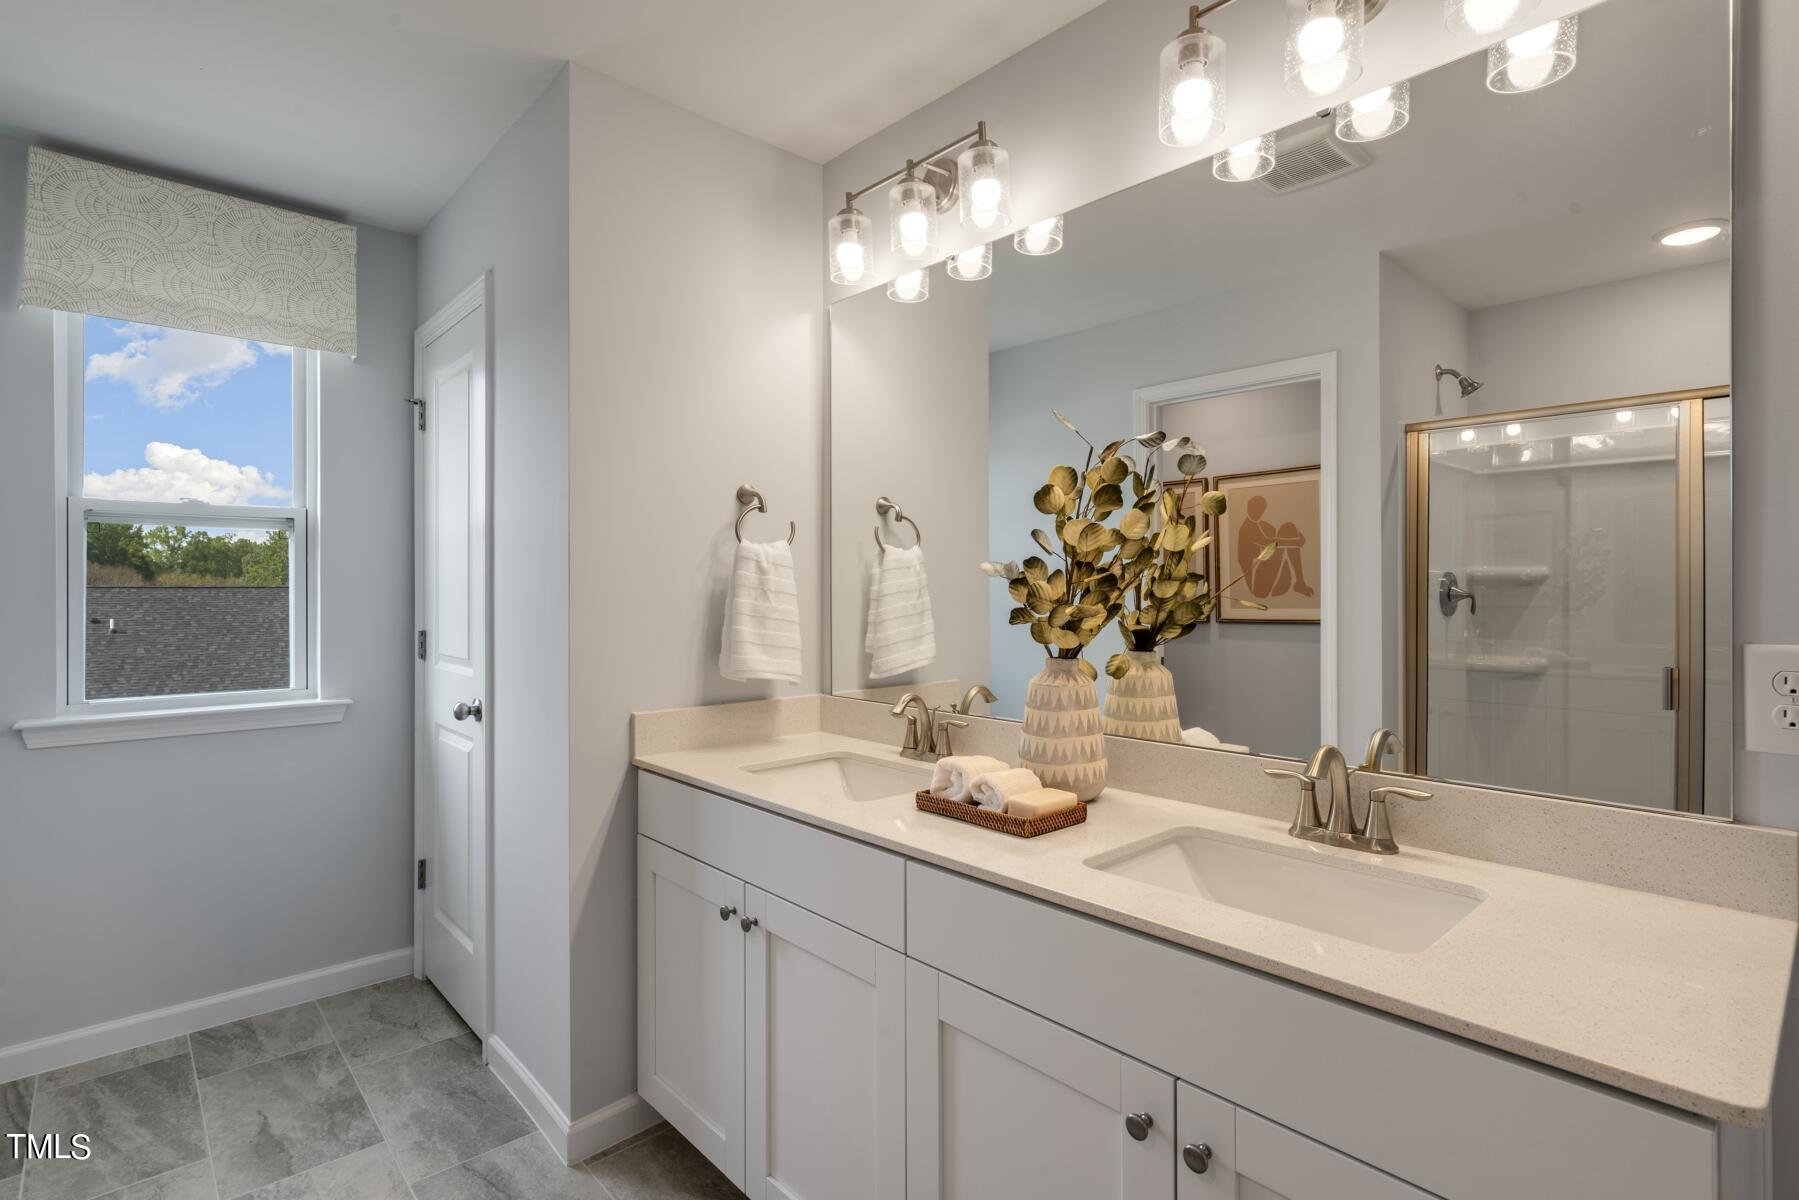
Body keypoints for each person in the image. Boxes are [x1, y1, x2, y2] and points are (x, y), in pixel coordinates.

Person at [1235, 494, 1314, 599]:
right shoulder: (1246, 528)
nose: (1258, 512)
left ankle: (1299, 582)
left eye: (1261, 509)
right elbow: (1268, 543)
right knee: (1288, 529)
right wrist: (1296, 542)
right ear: (1248, 507)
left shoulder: (1264, 525)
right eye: (1256, 508)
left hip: (1267, 569)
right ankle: (1298, 583)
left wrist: (1295, 536)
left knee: (1288, 528)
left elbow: (1275, 539)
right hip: (1257, 586)